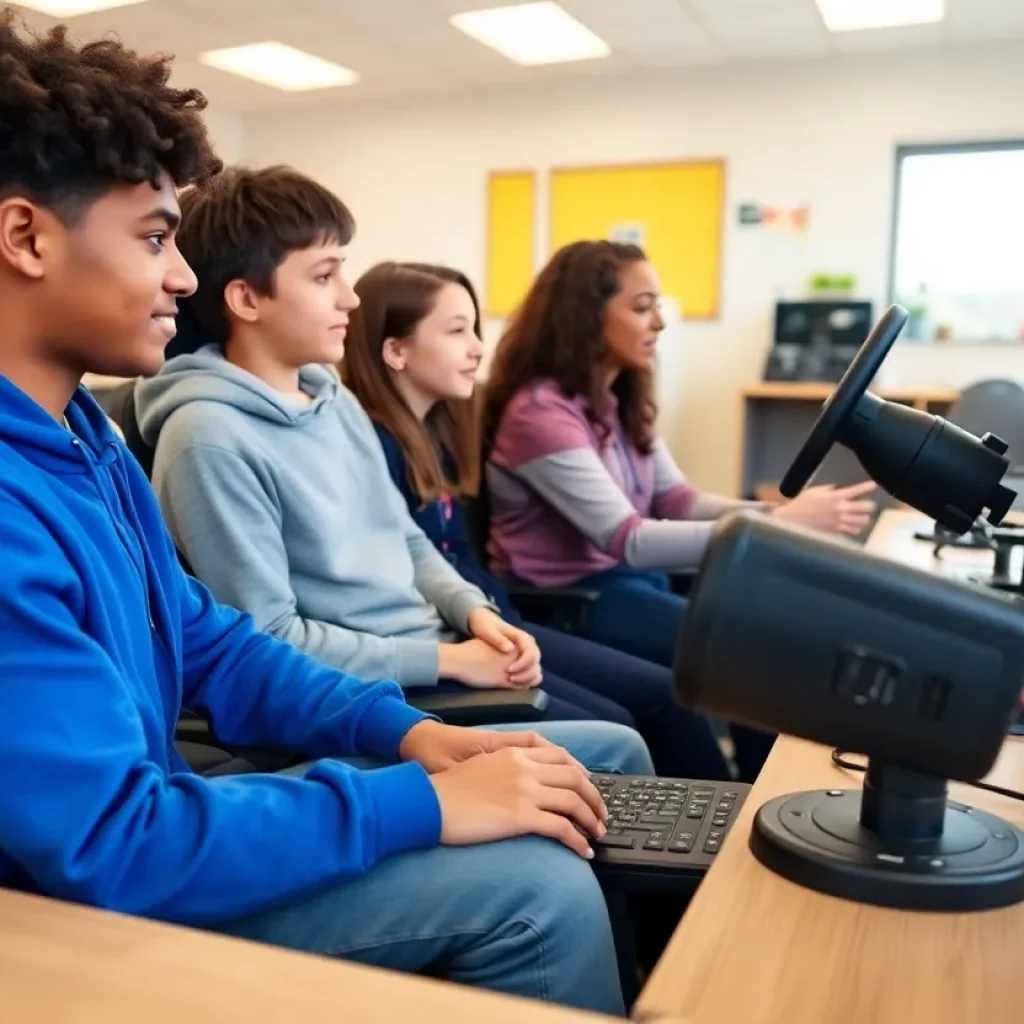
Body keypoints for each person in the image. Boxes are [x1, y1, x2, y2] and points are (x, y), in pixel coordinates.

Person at [0, 18, 651, 1013]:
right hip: (74, 910)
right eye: (155, 237)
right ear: (27, 237)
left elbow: (212, 643)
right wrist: (414, 800)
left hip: (149, 830)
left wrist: (404, 736)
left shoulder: (85, 435)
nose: (182, 276)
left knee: (576, 762)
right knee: (538, 891)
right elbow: (112, 843)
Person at [341, 259, 748, 780]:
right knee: (638, 714)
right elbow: (396, 581)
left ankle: (717, 825)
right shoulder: (375, 446)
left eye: (476, 330)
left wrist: (495, 620)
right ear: (395, 350)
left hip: (494, 621)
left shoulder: (442, 435)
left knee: (663, 697)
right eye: (457, 331)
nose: (478, 349)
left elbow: (458, 556)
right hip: (456, 639)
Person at [483, 240, 877, 671]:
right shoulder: (540, 414)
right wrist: (776, 524)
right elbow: (629, 540)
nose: (659, 323)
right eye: (642, 307)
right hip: (571, 597)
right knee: (747, 644)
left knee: (771, 616)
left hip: (625, 580)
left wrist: (778, 513)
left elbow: (679, 502)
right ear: (586, 317)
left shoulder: (616, 398)